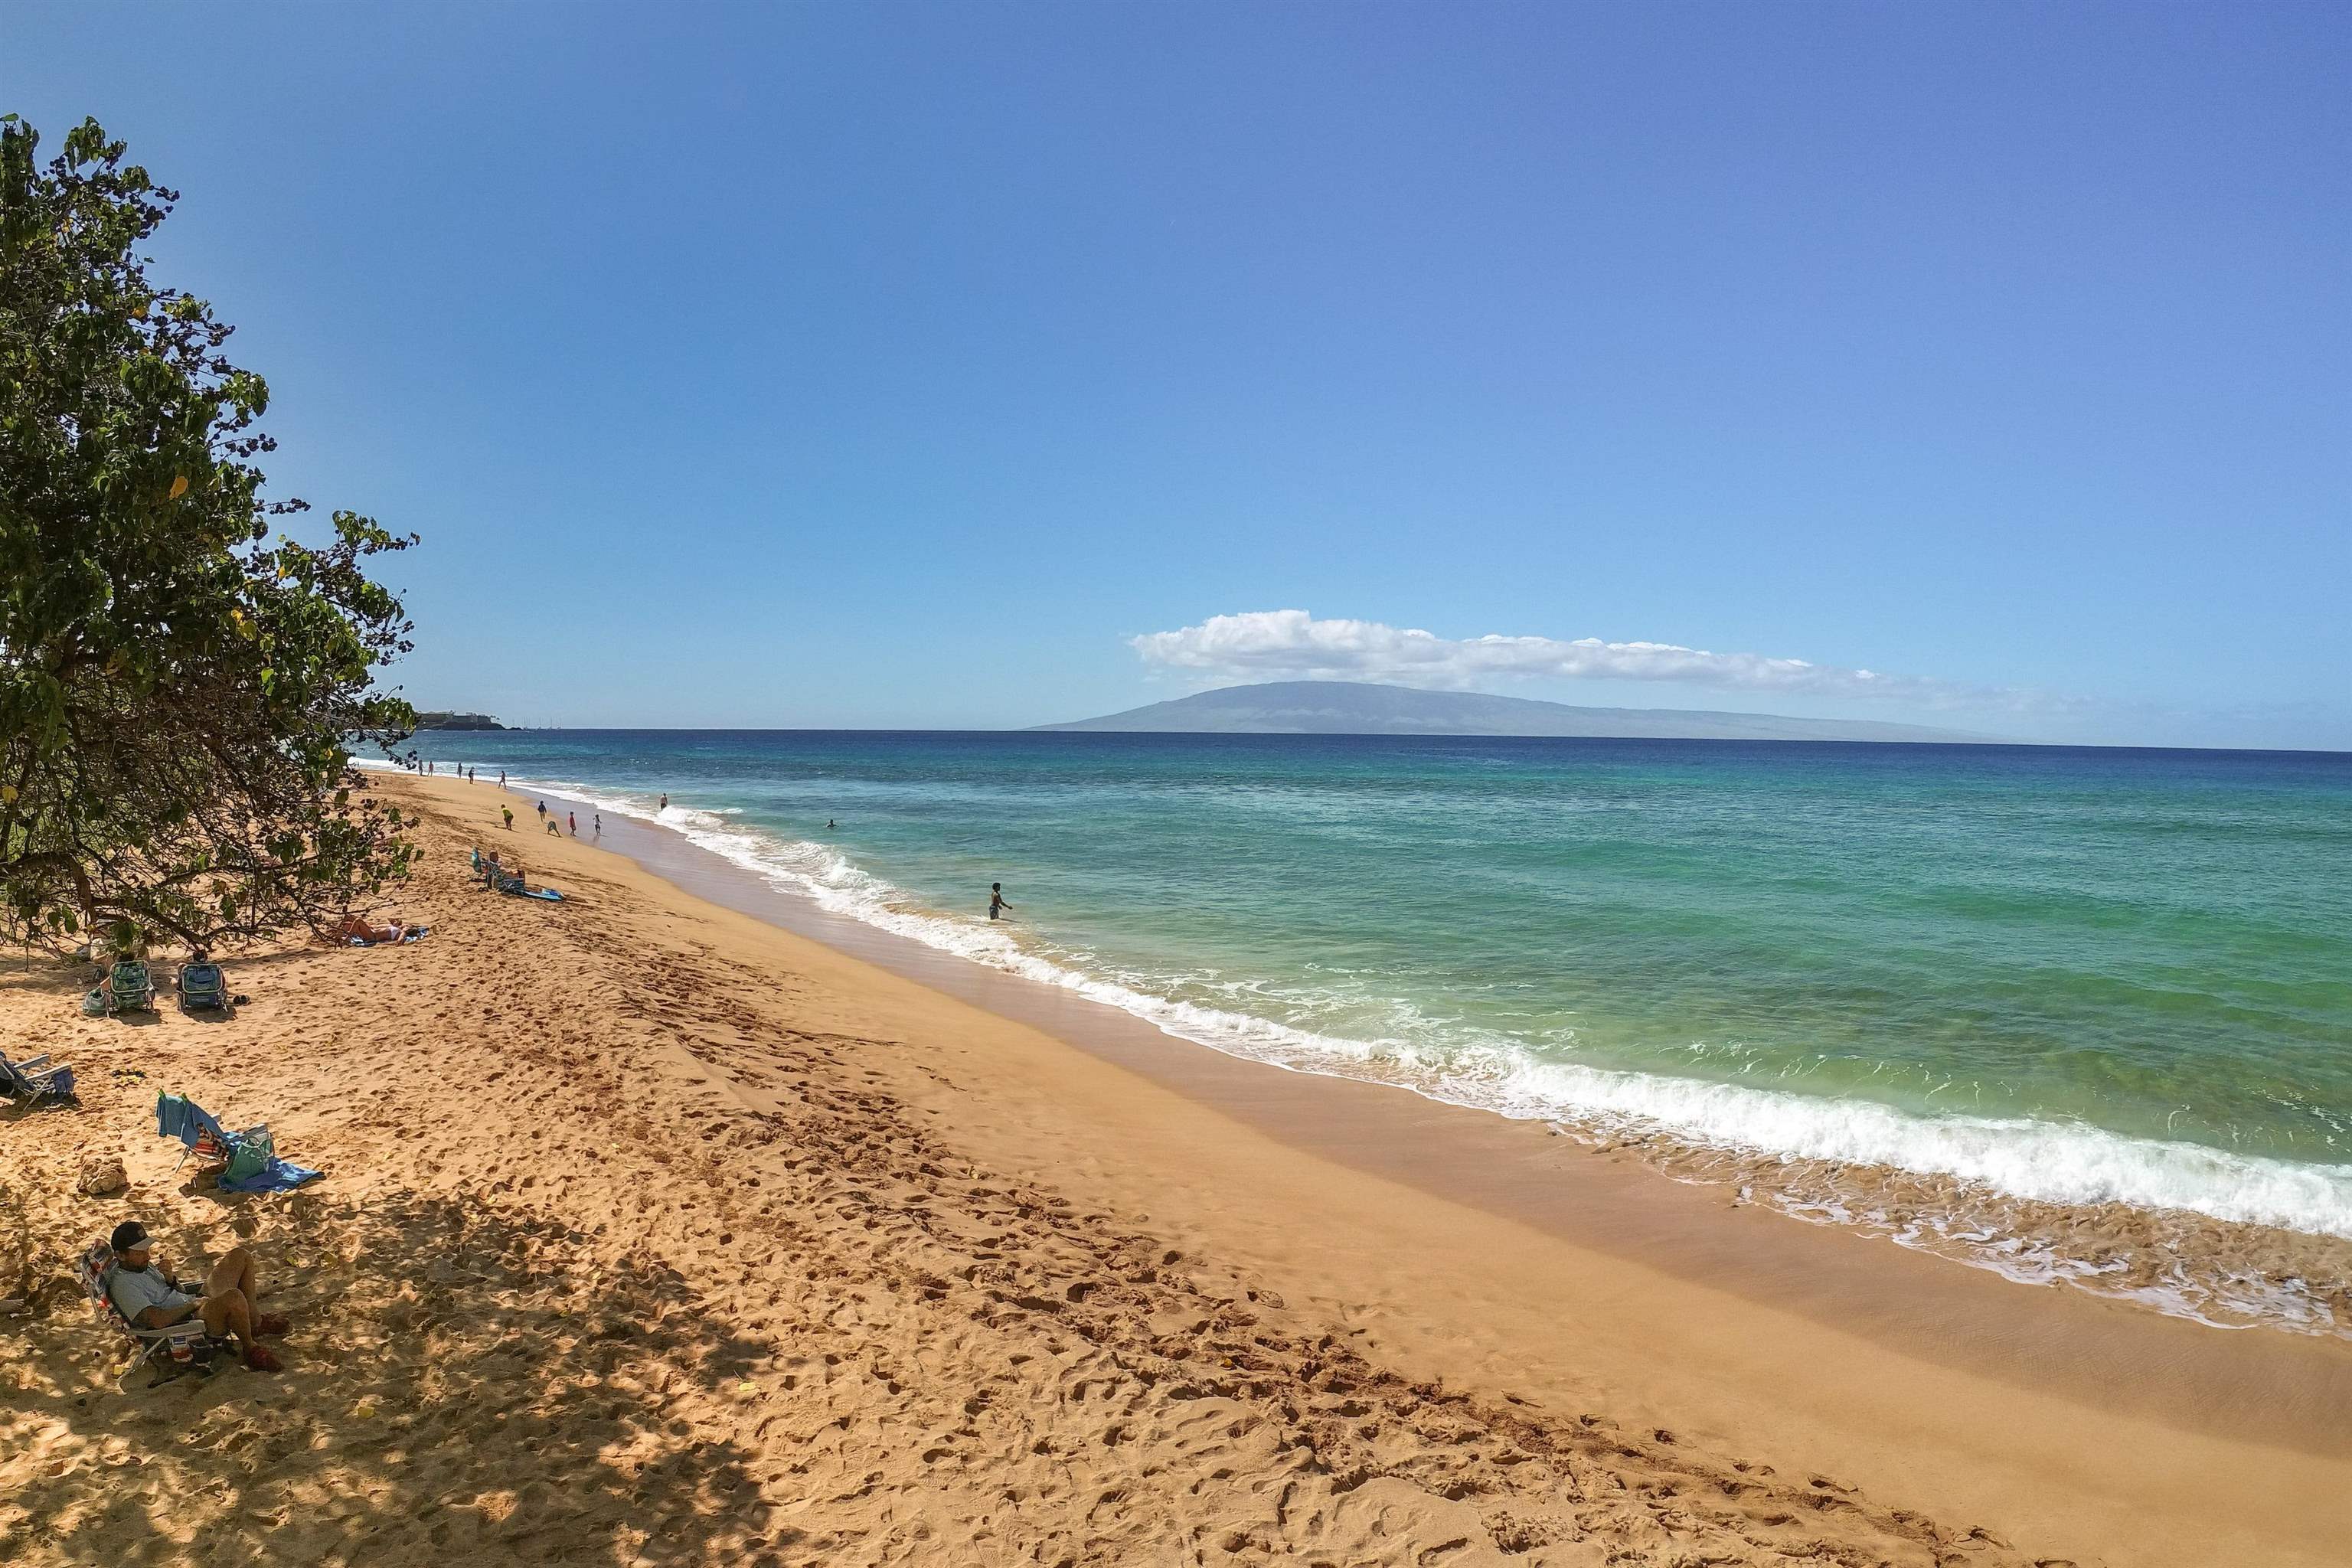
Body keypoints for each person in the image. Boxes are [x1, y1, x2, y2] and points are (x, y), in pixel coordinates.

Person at [105, 1220, 286, 1372]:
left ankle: (254, 1324)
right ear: (120, 1255)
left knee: (240, 1256)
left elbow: (174, 1292)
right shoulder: (124, 1285)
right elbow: (158, 1321)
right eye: (139, 1252)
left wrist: (170, 1280)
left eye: (147, 1250)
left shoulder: (140, 1265)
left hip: (193, 1303)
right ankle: (250, 1348)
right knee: (234, 1297)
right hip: (188, 1321)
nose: (147, 1256)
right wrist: (193, 1305)